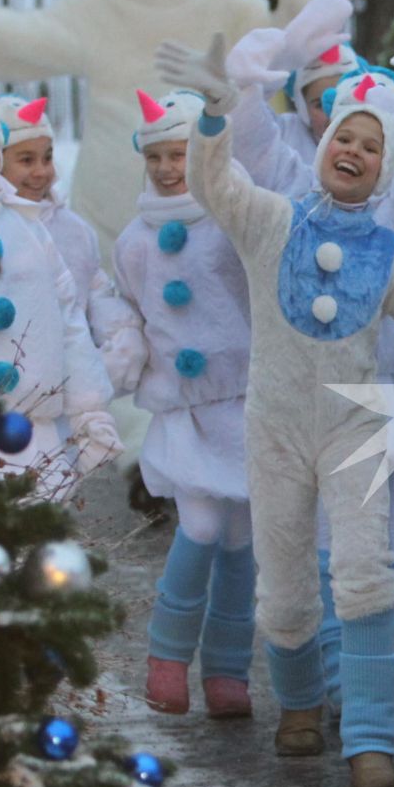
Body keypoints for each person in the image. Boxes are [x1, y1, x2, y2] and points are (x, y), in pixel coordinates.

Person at [155, 34, 394, 787]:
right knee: (282, 579)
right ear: (322, 141)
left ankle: (371, 739)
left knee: (366, 572)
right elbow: (217, 187)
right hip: (273, 428)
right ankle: (301, 707)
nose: (354, 150)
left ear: (384, 168)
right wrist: (214, 113)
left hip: (355, 426)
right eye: (345, 134)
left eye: (372, 146)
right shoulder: (272, 223)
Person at [112, 89, 256, 719]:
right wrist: (124, 350)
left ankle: (228, 670)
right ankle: (167, 659)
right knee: (199, 525)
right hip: (187, 407)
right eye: (158, 157)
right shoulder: (136, 239)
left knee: (242, 538)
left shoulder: (234, 218)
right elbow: (128, 306)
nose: (170, 168)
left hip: (246, 400)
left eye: (181, 154)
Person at [0, 83, 121, 493]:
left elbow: (69, 316)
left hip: (35, 429)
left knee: (39, 548)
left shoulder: (28, 227)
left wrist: (90, 409)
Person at [0, 94, 138, 362]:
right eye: (26, 160)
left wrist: (121, 346)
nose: (41, 171)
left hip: (71, 378)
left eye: (46, 158)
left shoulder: (74, 230)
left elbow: (98, 294)